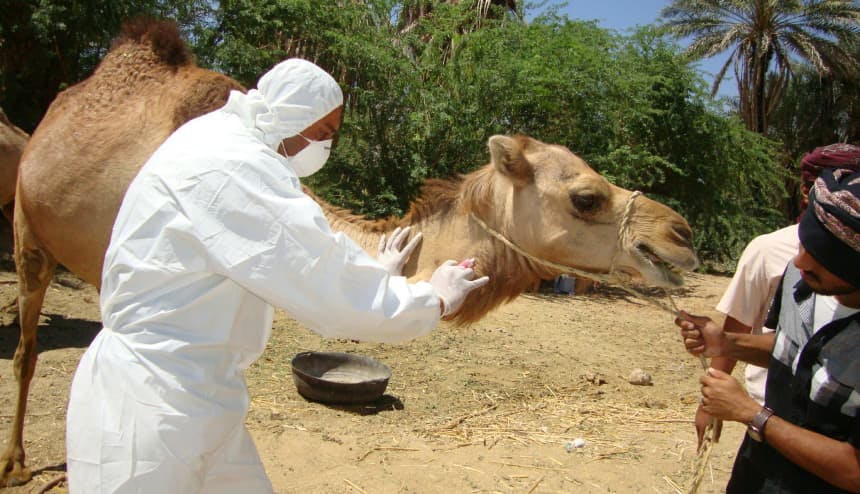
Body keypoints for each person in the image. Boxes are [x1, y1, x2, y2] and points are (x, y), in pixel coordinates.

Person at [65, 58, 489, 493]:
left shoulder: (225, 142)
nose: (326, 145)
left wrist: (374, 274)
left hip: (199, 397)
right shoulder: (232, 164)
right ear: (293, 117)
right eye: (324, 132)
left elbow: (298, 254)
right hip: (150, 406)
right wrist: (430, 299)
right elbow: (318, 278)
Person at [676, 168, 860, 493]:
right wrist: (728, 344)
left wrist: (751, 414)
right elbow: (794, 348)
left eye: (818, 255)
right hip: (756, 474)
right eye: (802, 244)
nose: (800, 262)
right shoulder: (799, 277)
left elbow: (853, 471)